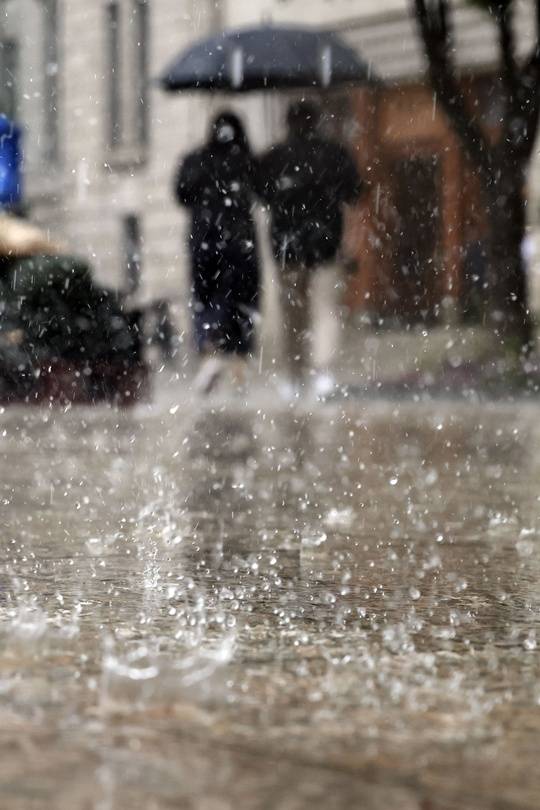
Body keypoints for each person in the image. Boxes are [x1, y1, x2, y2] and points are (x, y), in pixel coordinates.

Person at [258, 100, 364, 398]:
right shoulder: (334, 154)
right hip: (326, 245)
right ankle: (322, 371)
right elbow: (355, 193)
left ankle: (294, 375)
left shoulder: (274, 158)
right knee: (326, 309)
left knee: (293, 313)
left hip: (287, 248)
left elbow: (262, 195)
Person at [174, 112, 260, 394]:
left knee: (206, 298)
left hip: (204, 241)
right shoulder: (246, 162)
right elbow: (262, 190)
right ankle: (238, 365)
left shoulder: (196, 160)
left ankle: (211, 354)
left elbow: (181, 193)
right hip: (240, 241)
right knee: (241, 301)